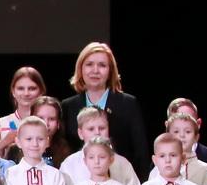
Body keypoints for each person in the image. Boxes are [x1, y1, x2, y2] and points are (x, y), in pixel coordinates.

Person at [61, 42, 149, 177]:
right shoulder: (68, 106)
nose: (95, 70)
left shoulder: (128, 104)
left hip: (120, 178)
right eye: (89, 64)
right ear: (80, 69)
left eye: (102, 65)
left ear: (110, 71)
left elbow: (140, 152)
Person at [58, 107, 140, 185]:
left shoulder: (122, 163)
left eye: (102, 128)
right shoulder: (69, 165)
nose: (97, 133)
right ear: (80, 133)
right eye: (91, 129)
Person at [150, 113, 207, 185]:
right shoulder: (158, 169)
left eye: (188, 132)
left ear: (196, 137)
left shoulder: (205, 170)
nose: (182, 135)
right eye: (176, 131)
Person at [0, 67, 46, 158]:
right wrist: (2, 144)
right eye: (20, 88)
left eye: (32, 88)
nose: (26, 93)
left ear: (41, 91)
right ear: (13, 91)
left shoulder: (47, 123)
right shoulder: (0, 124)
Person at [166, 98, 207, 176]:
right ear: (168, 127)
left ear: (198, 124)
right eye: (176, 129)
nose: (182, 134)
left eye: (188, 121)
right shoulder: (160, 160)